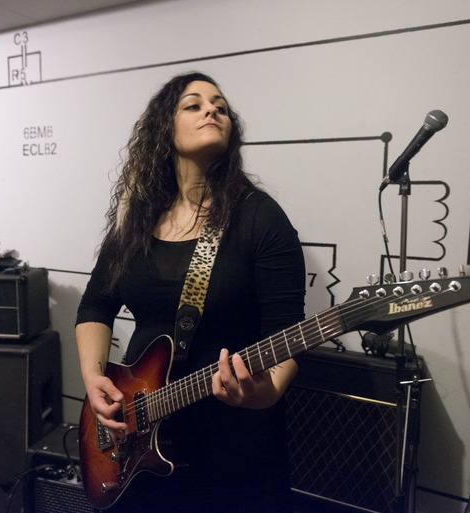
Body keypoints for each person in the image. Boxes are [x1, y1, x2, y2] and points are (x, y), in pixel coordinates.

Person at [75, 71, 306, 513]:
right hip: (136, 440)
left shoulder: (259, 217)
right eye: (194, 104)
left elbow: (287, 334)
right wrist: (93, 378)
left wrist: (264, 393)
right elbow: (96, 305)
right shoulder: (138, 220)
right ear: (165, 128)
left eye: (220, 106)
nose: (212, 110)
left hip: (231, 446)